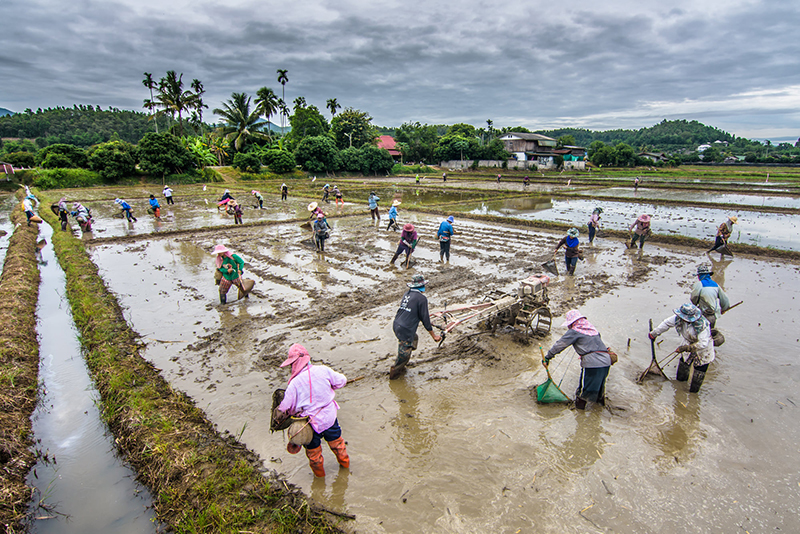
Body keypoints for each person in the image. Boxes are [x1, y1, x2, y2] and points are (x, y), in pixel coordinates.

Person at [275, 344, 349, 477]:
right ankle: (345, 468)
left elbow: (285, 408)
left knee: (314, 455)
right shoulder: (323, 370)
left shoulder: (294, 384)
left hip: (308, 426)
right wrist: (331, 387)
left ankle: (320, 480)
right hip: (329, 419)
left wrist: (280, 415)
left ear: (294, 364)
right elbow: (342, 381)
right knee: (338, 445)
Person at [544, 310, 614, 409]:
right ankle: (599, 412)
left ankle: (579, 414)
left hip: (592, 363)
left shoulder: (575, 331)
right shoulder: (593, 330)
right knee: (599, 388)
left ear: (572, 322)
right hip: (606, 361)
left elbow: (560, 345)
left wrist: (548, 357)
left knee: (583, 391)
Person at [649, 303, 714, 393]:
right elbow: (666, 323)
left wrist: (685, 348)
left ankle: (693, 395)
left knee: (698, 375)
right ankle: (679, 391)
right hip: (687, 344)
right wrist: (654, 333)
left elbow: (703, 343)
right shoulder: (678, 319)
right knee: (682, 373)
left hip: (703, 351)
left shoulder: (703, 325)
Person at [391, 274, 441, 378]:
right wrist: (434, 336)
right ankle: (395, 374)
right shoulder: (421, 298)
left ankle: (405, 350)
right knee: (404, 355)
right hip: (405, 329)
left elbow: (412, 310)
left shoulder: (407, 294)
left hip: (397, 324)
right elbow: (425, 320)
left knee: (414, 338)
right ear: (421, 286)